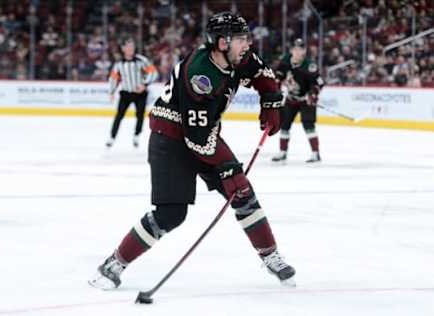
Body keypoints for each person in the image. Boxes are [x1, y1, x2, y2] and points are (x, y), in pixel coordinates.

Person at [89, 12, 296, 290]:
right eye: (241, 39)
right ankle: (114, 263)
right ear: (222, 43)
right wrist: (228, 167)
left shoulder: (238, 56)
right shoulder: (201, 76)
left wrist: (270, 101)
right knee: (171, 214)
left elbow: (260, 73)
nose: (247, 44)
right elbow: (198, 138)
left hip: (202, 131)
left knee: (242, 193)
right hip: (171, 139)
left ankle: (270, 255)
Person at [271, 38, 325, 163]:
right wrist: (276, 88)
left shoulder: (310, 66)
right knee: (284, 125)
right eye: (294, 49)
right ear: (291, 51)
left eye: (300, 49)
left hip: (305, 100)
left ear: (304, 51)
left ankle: (315, 154)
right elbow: (279, 75)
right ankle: (283, 152)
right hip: (291, 98)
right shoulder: (285, 60)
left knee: (308, 125)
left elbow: (319, 83)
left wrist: (312, 94)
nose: (297, 52)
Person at [106, 37, 158, 148]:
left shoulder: (141, 60)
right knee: (119, 116)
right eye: (128, 46)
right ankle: (112, 137)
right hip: (126, 93)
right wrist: (111, 92)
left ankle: (136, 136)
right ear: (123, 48)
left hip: (140, 94)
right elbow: (114, 78)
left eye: (132, 46)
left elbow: (153, 72)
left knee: (140, 116)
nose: (131, 49)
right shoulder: (119, 64)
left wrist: (144, 84)